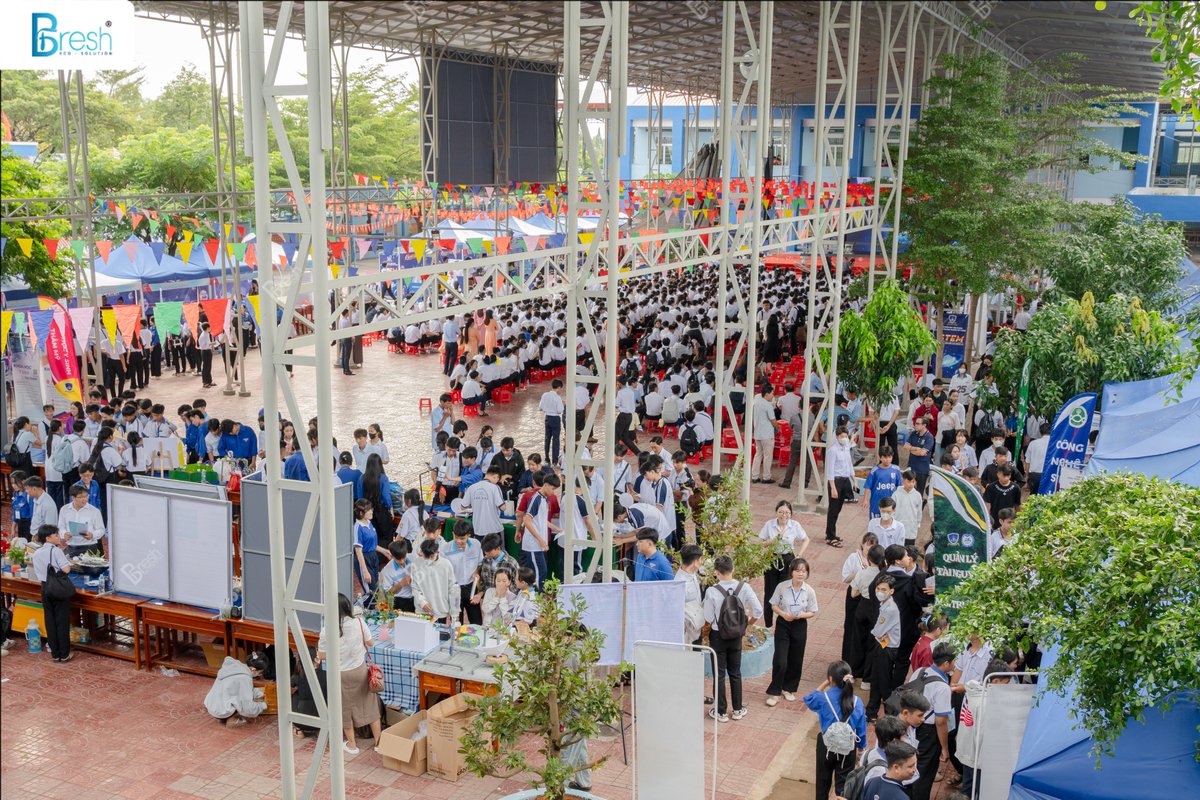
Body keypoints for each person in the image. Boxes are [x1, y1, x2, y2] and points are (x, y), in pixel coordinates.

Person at [315, 594, 381, 755]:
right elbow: (371, 643)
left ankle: (352, 745)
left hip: (339, 675)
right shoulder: (359, 622)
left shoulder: (326, 630)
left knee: (344, 710)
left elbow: (322, 656)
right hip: (359, 671)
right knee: (370, 706)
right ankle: (379, 743)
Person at [703, 555, 763, 723]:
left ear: (716, 572)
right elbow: (758, 610)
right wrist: (746, 625)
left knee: (719, 674)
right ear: (733, 569)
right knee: (735, 672)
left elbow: (707, 616)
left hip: (718, 636)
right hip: (736, 635)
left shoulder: (712, 591)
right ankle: (737, 709)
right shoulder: (744, 587)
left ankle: (721, 712)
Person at [803, 661, 867, 799]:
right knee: (844, 786)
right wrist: (860, 750)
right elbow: (861, 730)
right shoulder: (857, 702)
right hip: (848, 749)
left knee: (822, 782)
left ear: (830, 678)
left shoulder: (823, 698)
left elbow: (808, 700)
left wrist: (825, 684)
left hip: (826, 746)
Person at [765, 557, 818, 706]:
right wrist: (783, 614)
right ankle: (774, 692)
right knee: (780, 660)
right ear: (791, 572)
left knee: (796, 659)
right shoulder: (782, 587)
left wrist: (801, 615)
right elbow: (773, 605)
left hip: (800, 625)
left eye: (804, 571)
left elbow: (813, 611)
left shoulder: (809, 591)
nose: (801, 574)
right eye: (797, 571)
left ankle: (788, 688)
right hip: (783, 624)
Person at [909, 642, 958, 800]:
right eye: (953, 661)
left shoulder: (919, 671)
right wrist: (944, 748)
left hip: (912, 726)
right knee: (925, 773)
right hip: (929, 734)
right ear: (946, 663)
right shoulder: (943, 687)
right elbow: (941, 721)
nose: (955, 664)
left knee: (911, 766)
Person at [956, 658, 1011, 796]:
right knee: (975, 791)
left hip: (966, 749)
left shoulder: (973, 691)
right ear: (995, 681)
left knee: (967, 788)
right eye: (1006, 683)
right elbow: (982, 735)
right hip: (977, 757)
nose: (1008, 687)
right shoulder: (985, 703)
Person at [758, 500, 811, 627]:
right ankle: (768, 625)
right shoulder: (769, 525)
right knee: (770, 592)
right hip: (772, 558)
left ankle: (787, 620)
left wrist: (798, 555)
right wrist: (775, 539)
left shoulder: (794, 525)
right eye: (781, 512)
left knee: (787, 590)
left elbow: (806, 539)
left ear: (791, 513)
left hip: (788, 559)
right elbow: (761, 544)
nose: (784, 515)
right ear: (776, 512)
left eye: (787, 512)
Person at [31, 525, 74, 662]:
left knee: (50, 620)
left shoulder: (36, 553)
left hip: (45, 588)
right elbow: (66, 570)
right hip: (58, 588)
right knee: (62, 621)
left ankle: (55, 654)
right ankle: (64, 653)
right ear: (48, 538)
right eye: (56, 535)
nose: (58, 537)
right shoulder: (56, 551)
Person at [204, 651, 270, 727]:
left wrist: (260, 692)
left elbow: (239, 689)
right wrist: (263, 705)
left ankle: (223, 716)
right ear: (253, 670)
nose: (259, 675)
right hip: (221, 711)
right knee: (242, 705)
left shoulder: (235, 667)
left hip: (211, 704)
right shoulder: (244, 679)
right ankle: (230, 719)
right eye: (260, 673)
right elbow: (247, 707)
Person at [519, 472, 559, 589]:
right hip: (533, 545)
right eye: (553, 489)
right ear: (545, 485)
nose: (554, 492)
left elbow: (541, 520)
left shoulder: (545, 499)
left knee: (541, 572)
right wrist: (541, 540)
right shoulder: (536, 499)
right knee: (539, 574)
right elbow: (527, 521)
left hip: (538, 544)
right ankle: (536, 602)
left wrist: (557, 528)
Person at [440, 520, 484, 624]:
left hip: (471, 588)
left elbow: (479, 563)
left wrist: (476, 572)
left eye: (463, 539)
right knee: (456, 622)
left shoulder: (476, 544)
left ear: (468, 535)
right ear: (453, 534)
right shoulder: (445, 549)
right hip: (454, 589)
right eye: (456, 538)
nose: (459, 541)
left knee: (477, 621)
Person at [412, 538, 460, 624]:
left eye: (431, 557)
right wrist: (422, 602)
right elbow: (414, 587)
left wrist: (454, 612)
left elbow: (453, 588)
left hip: (440, 610)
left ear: (437, 552)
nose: (428, 560)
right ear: (421, 552)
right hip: (422, 611)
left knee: (439, 636)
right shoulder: (416, 564)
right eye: (426, 557)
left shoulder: (446, 564)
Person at [825, 425, 856, 547]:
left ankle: (830, 532)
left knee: (838, 509)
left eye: (846, 436)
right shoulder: (833, 450)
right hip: (836, 482)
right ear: (837, 437)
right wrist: (833, 487)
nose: (844, 438)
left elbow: (849, 464)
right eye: (842, 436)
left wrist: (854, 480)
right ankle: (831, 537)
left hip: (845, 480)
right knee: (833, 509)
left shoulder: (846, 448)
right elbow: (830, 471)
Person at [58, 485, 107, 557]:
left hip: (89, 548)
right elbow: (61, 526)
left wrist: (92, 535)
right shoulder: (64, 509)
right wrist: (64, 534)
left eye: (86, 496)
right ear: (73, 497)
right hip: (71, 547)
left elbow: (101, 529)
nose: (84, 499)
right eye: (80, 497)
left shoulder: (94, 511)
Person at [352, 499, 385, 598]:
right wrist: (365, 571)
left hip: (373, 557)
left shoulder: (369, 523)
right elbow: (358, 551)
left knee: (376, 586)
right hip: (364, 559)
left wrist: (385, 551)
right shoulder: (358, 528)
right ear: (361, 512)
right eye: (369, 510)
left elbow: (372, 544)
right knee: (371, 590)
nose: (371, 511)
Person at [750, 384, 780, 484]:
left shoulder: (756, 402)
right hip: (767, 435)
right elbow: (773, 420)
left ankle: (754, 476)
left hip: (757, 433)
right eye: (772, 393)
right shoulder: (767, 405)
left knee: (758, 455)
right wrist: (778, 427)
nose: (773, 395)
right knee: (768, 456)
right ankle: (766, 477)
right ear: (767, 394)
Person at [676, 544, 705, 644]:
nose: (701, 562)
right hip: (688, 632)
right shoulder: (680, 584)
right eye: (701, 559)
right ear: (695, 562)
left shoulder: (691, 572)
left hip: (696, 627)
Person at [863, 447, 902, 518]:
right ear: (880, 458)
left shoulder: (896, 469)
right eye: (885, 457)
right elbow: (868, 486)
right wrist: (865, 499)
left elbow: (900, 486)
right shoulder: (875, 470)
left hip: (890, 503)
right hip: (876, 503)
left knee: (890, 525)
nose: (887, 459)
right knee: (875, 524)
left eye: (889, 457)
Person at [379, 539, 415, 612]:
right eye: (398, 559)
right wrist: (401, 584)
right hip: (400, 601)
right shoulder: (387, 570)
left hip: (416, 598)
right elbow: (388, 594)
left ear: (407, 552)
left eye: (403, 558)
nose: (402, 561)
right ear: (392, 556)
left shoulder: (413, 558)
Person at [904, 416, 935, 497]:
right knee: (908, 491)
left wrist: (911, 450)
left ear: (924, 425)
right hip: (911, 467)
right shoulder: (914, 433)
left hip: (922, 470)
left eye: (917, 423)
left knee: (918, 493)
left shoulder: (929, 437)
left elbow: (922, 453)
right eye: (915, 423)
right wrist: (915, 449)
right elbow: (905, 446)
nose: (915, 425)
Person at [892, 470, 923, 547]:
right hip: (898, 526)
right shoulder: (896, 494)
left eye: (913, 482)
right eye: (908, 482)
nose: (911, 484)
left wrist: (917, 523)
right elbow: (892, 510)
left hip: (911, 527)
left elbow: (919, 511)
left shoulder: (917, 495)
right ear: (903, 481)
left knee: (909, 550)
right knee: (897, 549)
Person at [539, 379, 565, 466]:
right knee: (556, 440)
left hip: (547, 418)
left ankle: (547, 459)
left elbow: (540, 407)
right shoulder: (557, 397)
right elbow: (560, 410)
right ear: (558, 387)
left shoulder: (545, 395)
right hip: (555, 419)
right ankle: (554, 461)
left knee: (547, 439)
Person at [24, 477, 59, 543]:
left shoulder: (47, 504)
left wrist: (38, 538)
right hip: (35, 536)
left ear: (34, 489)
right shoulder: (36, 498)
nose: (26, 491)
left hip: (42, 540)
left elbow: (50, 527)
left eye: (27, 489)